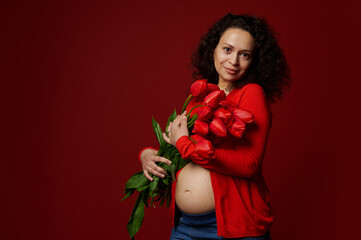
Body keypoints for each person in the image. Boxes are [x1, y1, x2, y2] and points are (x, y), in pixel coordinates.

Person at [139, 13, 291, 240]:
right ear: (213, 50)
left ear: (254, 61)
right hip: (184, 227)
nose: (234, 61)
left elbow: (249, 163)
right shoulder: (199, 97)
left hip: (232, 229)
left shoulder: (251, 93)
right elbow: (179, 152)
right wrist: (148, 155)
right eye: (227, 50)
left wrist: (184, 143)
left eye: (245, 54)